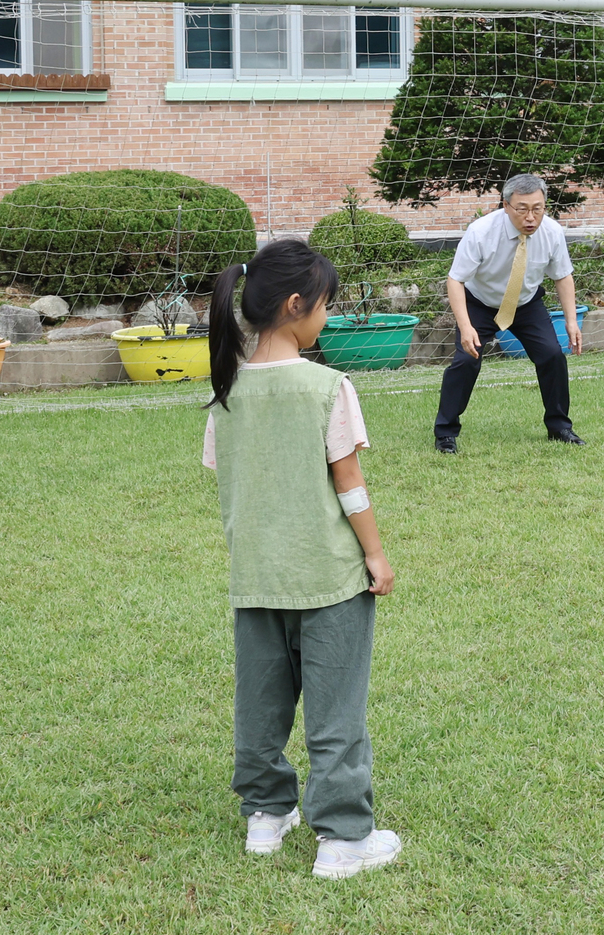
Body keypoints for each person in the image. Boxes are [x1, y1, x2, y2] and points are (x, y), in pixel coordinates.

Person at [203, 238, 401, 878]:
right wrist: (375, 554)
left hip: (256, 578)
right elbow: (350, 484)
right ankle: (343, 839)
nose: (328, 316)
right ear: (296, 305)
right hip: (328, 579)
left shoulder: (226, 395)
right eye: (325, 306)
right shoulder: (327, 387)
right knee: (335, 707)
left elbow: (229, 476)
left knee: (259, 703)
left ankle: (266, 816)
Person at [433, 173, 585, 453]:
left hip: (526, 304)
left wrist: (572, 321)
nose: (531, 217)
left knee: (552, 355)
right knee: (467, 361)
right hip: (480, 304)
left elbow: (563, 276)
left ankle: (560, 426)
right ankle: (445, 433)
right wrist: (466, 327)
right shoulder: (481, 231)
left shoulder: (552, 232)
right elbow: (455, 280)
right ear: (505, 205)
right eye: (522, 209)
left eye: (537, 209)